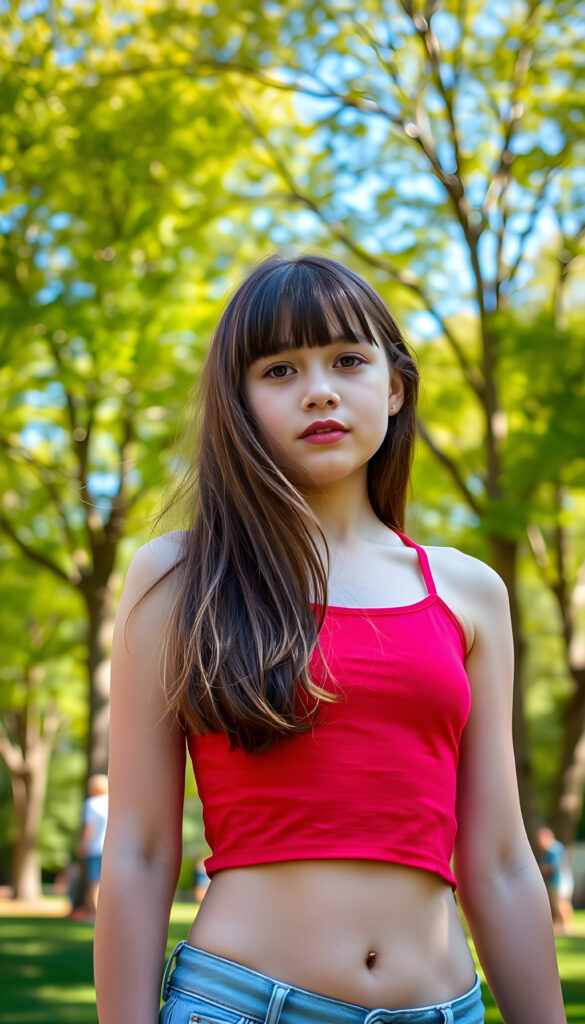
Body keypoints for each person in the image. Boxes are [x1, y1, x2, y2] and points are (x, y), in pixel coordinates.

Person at [94, 254, 566, 1024]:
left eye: (347, 360)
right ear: (239, 404)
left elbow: (502, 862)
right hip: (242, 1005)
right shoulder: (180, 575)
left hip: (443, 1008)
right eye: (278, 370)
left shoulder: (467, 590)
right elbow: (140, 851)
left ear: (393, 385)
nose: (318, 389)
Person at [78, 773, 109, 919]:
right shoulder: (112, 801)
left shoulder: (91, 803)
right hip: (111, 848)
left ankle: (96, 916)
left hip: (96, 848)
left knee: (95, 884)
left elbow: (89, 828)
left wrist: (83, 846)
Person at [536, 826, 573, 936]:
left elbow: (554, 866)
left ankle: (566, 926)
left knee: (561, 903)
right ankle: (561, 925)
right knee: (562, 902)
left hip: (559, 880)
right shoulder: (553, 849)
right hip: (560, 880)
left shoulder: (553, 849)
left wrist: (539, 869)